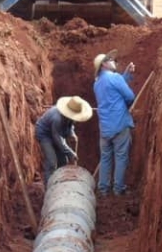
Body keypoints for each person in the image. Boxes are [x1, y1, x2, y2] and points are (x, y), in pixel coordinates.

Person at [93, 50, 135, 196]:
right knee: (121, 157)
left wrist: (127, 75)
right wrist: (126, 106)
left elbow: (113, 87)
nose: (113, 61)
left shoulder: (97, 83)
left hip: (105, 128)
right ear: (103, 64)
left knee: (105, 158)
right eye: (110, 59)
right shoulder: (115, 78)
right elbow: (130, 97)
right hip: (119, 125)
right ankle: (118, 189)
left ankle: (103, 189)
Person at [35, 96, 93, 187]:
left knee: (63, 161)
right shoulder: (56, 118)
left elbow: (70, 126)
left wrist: (72, 134)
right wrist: (70, 153)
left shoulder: (70, 117)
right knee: (52, 162)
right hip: (45, 134)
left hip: (57, 133)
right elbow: (57, 138)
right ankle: (49, 187)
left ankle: (61, 185)